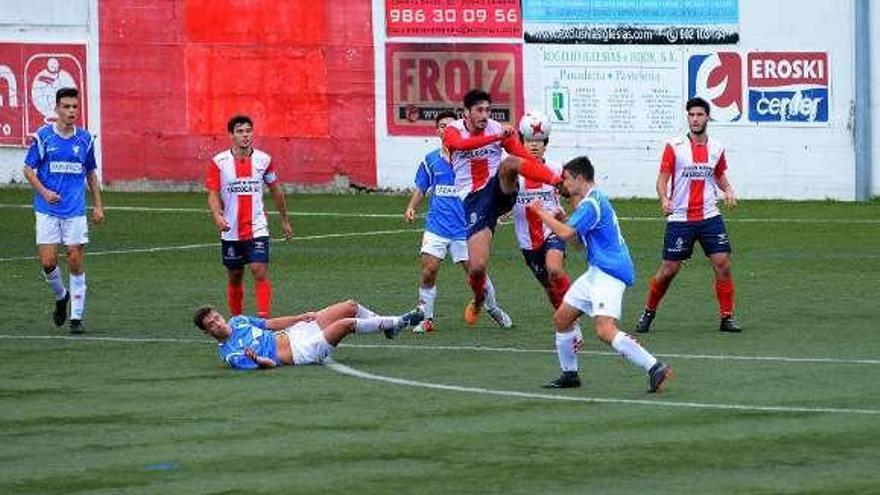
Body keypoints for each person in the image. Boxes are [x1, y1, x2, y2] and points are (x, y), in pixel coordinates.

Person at [526, 156, 671, 392]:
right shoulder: (592, 202)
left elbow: (564, 235)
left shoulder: (591, 204)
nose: (563, 183)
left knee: (604, 330)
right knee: (562, 319)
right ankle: (570, 374)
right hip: (597, 271)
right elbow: (577, 244)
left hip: (610, 273)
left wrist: (541, 213)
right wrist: (564, 222)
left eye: (566, 178)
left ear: (579, 178)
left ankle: (654, 366)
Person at [442, 89, 561, 326]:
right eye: (479, 110)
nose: (485, 115)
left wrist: (554, 178)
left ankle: (558, 183)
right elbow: (460, 145)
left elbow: (521, 156)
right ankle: (478, 299)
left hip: (500, 188)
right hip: (475, 200)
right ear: (466, 112)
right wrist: (496, 139)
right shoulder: (453, 129)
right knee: (476, 268)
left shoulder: (497, 128)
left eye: (488, 110)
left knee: (510, 163)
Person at [635, 97, 742, 334]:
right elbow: (662, 178)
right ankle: (648, 312)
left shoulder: (716, 148)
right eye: (691, 115)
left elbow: (719, 174)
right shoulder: (674, 146)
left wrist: (728, 190)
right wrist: (664, 198)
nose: (695, 119)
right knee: (668, 270)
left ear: (707, 117)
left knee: (723, 264)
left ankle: (727, 317)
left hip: (709, 215)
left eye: (699, 115)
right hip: (681, 217)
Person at [404, 111, 510, 333]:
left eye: (448, 126)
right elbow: (422, 186)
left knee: (476, 274)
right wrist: (412, 206)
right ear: (437, 130)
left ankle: (493, 308)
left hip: (466, 228)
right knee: (428, 271)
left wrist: (499, 209)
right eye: (441, 126)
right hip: (437, 227)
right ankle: (426, 318)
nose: (445, 129)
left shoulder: (471, 157)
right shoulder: (431, 160)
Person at [22, 87, 104, 334]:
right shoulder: (44, 137)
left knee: (75, 257)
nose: (71, 111)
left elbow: (90, 173)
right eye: (66, 107)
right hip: (46, 209)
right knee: (48, 262)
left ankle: (76, 318)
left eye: (75, 107)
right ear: (56, 109)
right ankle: (61, 297)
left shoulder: (85, 139)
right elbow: (28, 169)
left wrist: (98, 206)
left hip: (75, 210)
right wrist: (45, 192)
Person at [205, 115, 293, 319]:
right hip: (231, 229)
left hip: (257, 226)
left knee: (258, 269)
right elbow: (213, 194)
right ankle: (237, 321)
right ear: (231, 135)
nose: (245, 135)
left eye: (248, 131)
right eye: (240, 131)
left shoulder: (264, 160)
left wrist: (284, 220)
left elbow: (276, 191)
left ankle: (263, 320)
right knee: (235, 276)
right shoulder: (219, 162)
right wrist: (217, 216)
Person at [193, 301, 424, 369]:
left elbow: (270, 323)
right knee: (344, 324)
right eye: (212, 325)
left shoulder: (238, 320)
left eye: (217, 318)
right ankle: (399, 321)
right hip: (300, 352)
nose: (218, 324)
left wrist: (299, 317)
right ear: (207, 333)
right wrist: (258, 360)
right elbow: (270, 364)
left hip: (296, 332)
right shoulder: (231, 354)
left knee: (350, 306)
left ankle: (389, 328)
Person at [510, 111, 574, 311]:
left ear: (546, 143)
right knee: (550, 287)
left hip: (552, 232)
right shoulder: (513, 174)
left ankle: (576, 305)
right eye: (529, 140)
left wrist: (573, 215)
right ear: (521, 142)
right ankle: (568, 323)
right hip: (528, 241)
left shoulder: (556, 169)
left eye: (539, 140)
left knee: (554, 269)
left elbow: (572, 194)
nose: (535, 145)